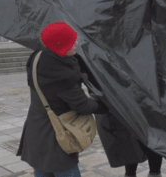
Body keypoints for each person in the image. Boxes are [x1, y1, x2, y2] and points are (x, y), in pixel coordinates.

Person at [17, 21, 108, 177]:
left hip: (36, 128)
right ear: (59, 46)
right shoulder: (62, 75)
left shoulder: (38, 56)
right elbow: (83, 105)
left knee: (42, 169)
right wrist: (107, 106)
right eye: (71, 43)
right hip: (57, 135)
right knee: (64, 170)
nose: (76, 44)